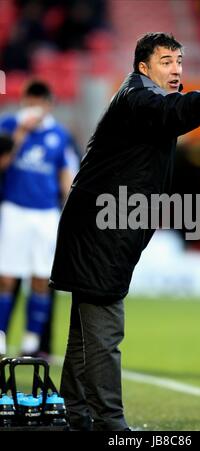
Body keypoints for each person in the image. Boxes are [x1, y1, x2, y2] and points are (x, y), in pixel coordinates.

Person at [49, 32, 200, 431]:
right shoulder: (139, 99)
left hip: (101, 228)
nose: (177, 68)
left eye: (179, 60)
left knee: (86, 333)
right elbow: (178, 112)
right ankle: (113, 425)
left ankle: (77, 417)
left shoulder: (145, 100)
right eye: (166, 61)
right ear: (143, 68)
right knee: (106, 331)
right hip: (100, 232)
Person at [0, 80, 74, 357]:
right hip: (14, 208)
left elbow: (65, 172)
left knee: (41, 278)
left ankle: (32, 343)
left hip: (45, 212)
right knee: (6, 278)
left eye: (39, 103)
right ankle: (1, 337)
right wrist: (21, 133)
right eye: (30, 102)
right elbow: (3, 163)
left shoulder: (59, 134)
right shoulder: (9, 125)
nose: (34, 108)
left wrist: (72, 204)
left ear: (48, 106)